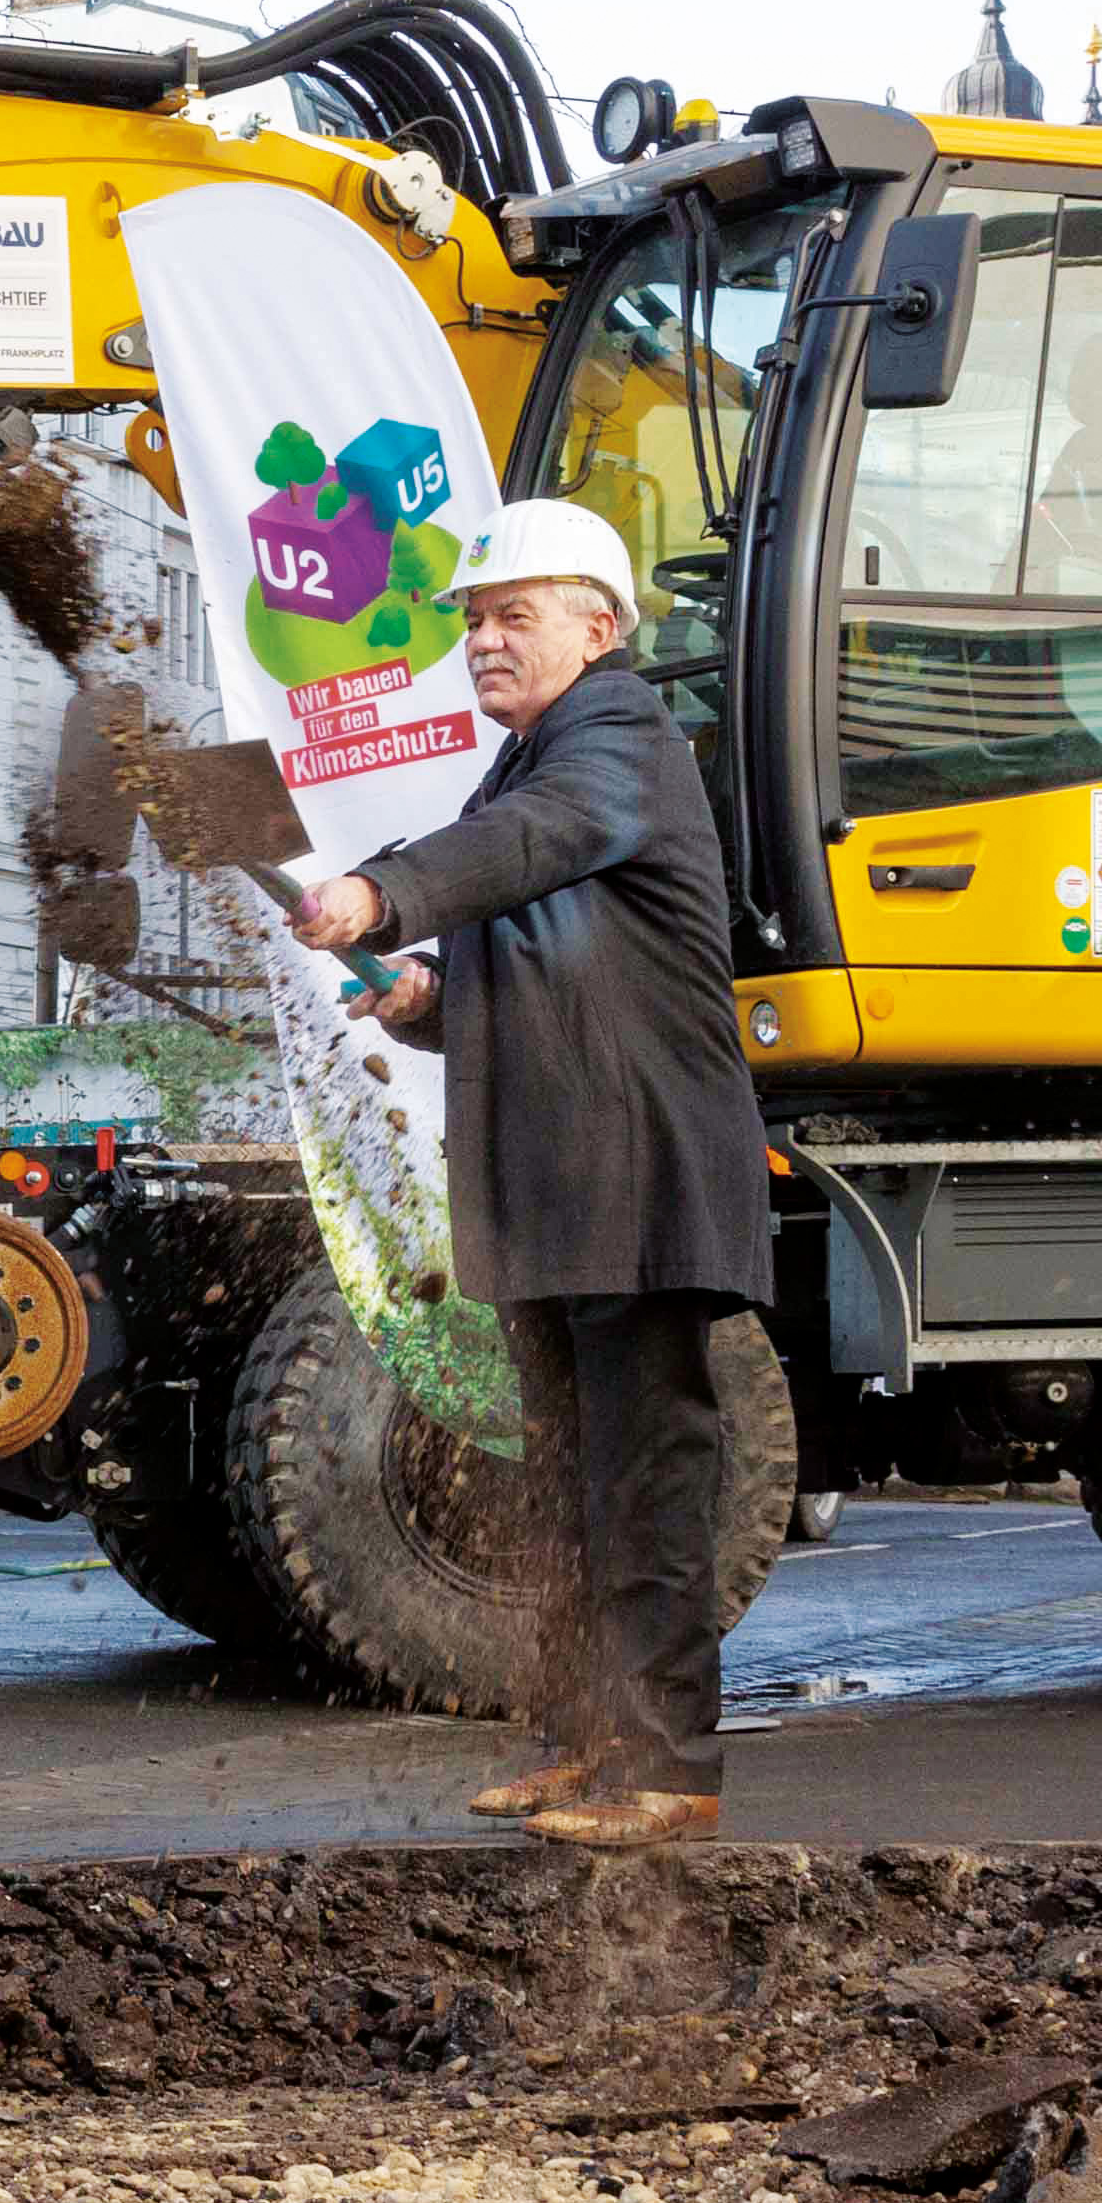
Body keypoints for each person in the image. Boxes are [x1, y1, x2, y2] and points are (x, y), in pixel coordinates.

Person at [289, 500, 773, 1852]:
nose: (481, 639)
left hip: (636, 1179)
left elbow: (525, 852)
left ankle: (665, 1765)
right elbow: (541, 951)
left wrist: (380, 893)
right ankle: (580, 1741)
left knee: (644, 1483)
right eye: (469, 619)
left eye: (512, 614)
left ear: (597, 629)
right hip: (568, 1185)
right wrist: (426, 993)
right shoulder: (524, 764)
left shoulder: (611, 736)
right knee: (567, 1486)